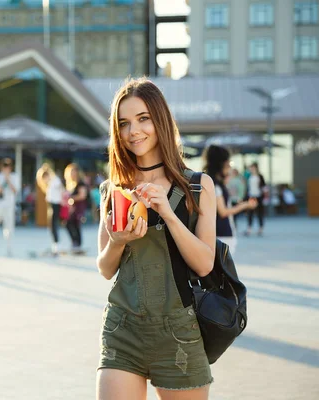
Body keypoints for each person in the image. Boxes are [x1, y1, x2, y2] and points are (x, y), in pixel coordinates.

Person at [96, 77, 217, 399]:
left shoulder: (197, 186)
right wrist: (118, 240)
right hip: (123, 328)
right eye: (124, 123)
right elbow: (106, 268)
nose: (133, 131)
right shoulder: (113, 189)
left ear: (160, 119)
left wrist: (167, 213)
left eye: (143, 118)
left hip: (179, 332)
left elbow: (205, 264)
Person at [204, 145, 257, 255]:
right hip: (222, 234)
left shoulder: (209, 182)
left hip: (216, 233)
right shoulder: (215, 186)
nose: (229, 167)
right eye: (228, 163)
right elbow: (223, 212)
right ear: (221, 164)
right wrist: (245, 205)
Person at [0, 158, 19, 256]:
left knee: (9, 227)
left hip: (9, 205)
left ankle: (9, 248)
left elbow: (15, 190)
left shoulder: (14, 177)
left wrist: (8, 180)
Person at [36, 164, 66, 256]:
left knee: (53, 225)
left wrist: (64, 200)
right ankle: (55, 245)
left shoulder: (55, 181)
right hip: (52, 205)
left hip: (56, 205)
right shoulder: (50, 183)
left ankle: (57, 245)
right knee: (52, 226)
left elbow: (62, 190)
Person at [64, 163, 88, 254]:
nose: (72, 174)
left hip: (79, 208)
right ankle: (75, 242)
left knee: (75, 225)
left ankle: (77, 244)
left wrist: (71, 198)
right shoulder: (71, 184)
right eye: (71, 172)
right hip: (73, 208)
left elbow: (82, 195)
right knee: (69, 224)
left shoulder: (80, 183)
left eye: (74, 172)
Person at [245, 162, 266, 236]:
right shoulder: (249, 176)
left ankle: (260, 228)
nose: (251, 169)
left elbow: (264, 186)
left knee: (259, 213)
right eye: (251, 167)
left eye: (253, 167)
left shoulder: (260, 176)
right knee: (250, 213)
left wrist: (265, 196)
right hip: (251, 196)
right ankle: (249, 229)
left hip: (258, 196)